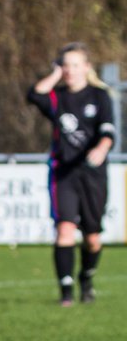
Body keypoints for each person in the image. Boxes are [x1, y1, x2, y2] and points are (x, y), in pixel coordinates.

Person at [26, 43, 116, 306]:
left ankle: (86, 278)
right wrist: (54, 75)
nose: (70, 71)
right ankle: (66, 293)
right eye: (65, 65)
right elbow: (34, 95)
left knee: (92, 237)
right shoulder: (57, 97)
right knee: (64, 230)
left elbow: (108, 131)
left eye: (75, 65)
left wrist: (101, 148)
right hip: (63, 173)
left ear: (86, 67)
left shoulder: (99, 96)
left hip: (92, 174)